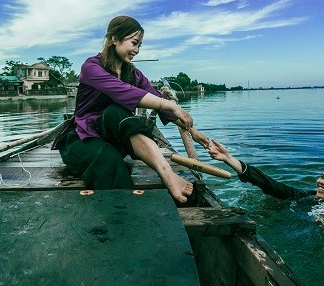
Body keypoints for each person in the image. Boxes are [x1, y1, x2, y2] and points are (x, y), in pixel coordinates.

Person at [53, 15, 209, 203]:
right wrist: (168, 103)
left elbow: (158, 100)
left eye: (139, 45)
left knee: (115, 113)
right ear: (113, 39)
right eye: (134, 43)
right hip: (80, 139)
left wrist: (193, 131)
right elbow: (123, 92)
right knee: (109, 159)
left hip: (110, 137)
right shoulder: (91, 67)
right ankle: (127, 209)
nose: (136, 50)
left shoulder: (133, 73)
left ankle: (166, 174)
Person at [207, 140, 324, 205]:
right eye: (322, 177)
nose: (321, 181)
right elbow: (271, 185)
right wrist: (228, 158)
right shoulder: (302, 197)